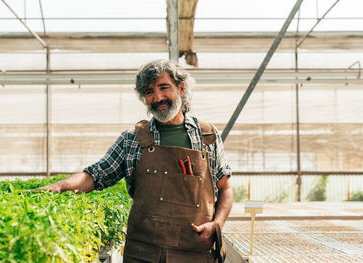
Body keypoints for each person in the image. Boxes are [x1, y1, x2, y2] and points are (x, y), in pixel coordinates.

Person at [39, 59, 233, 263]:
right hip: (143, 254)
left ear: (181, 88)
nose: (157, 97)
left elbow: (226, 188)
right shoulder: (132, 139)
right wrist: (60, 186)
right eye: (149, 92)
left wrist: (217, 224)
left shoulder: (206, 135)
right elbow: (95, 175)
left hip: (193, 253)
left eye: (164, 87)